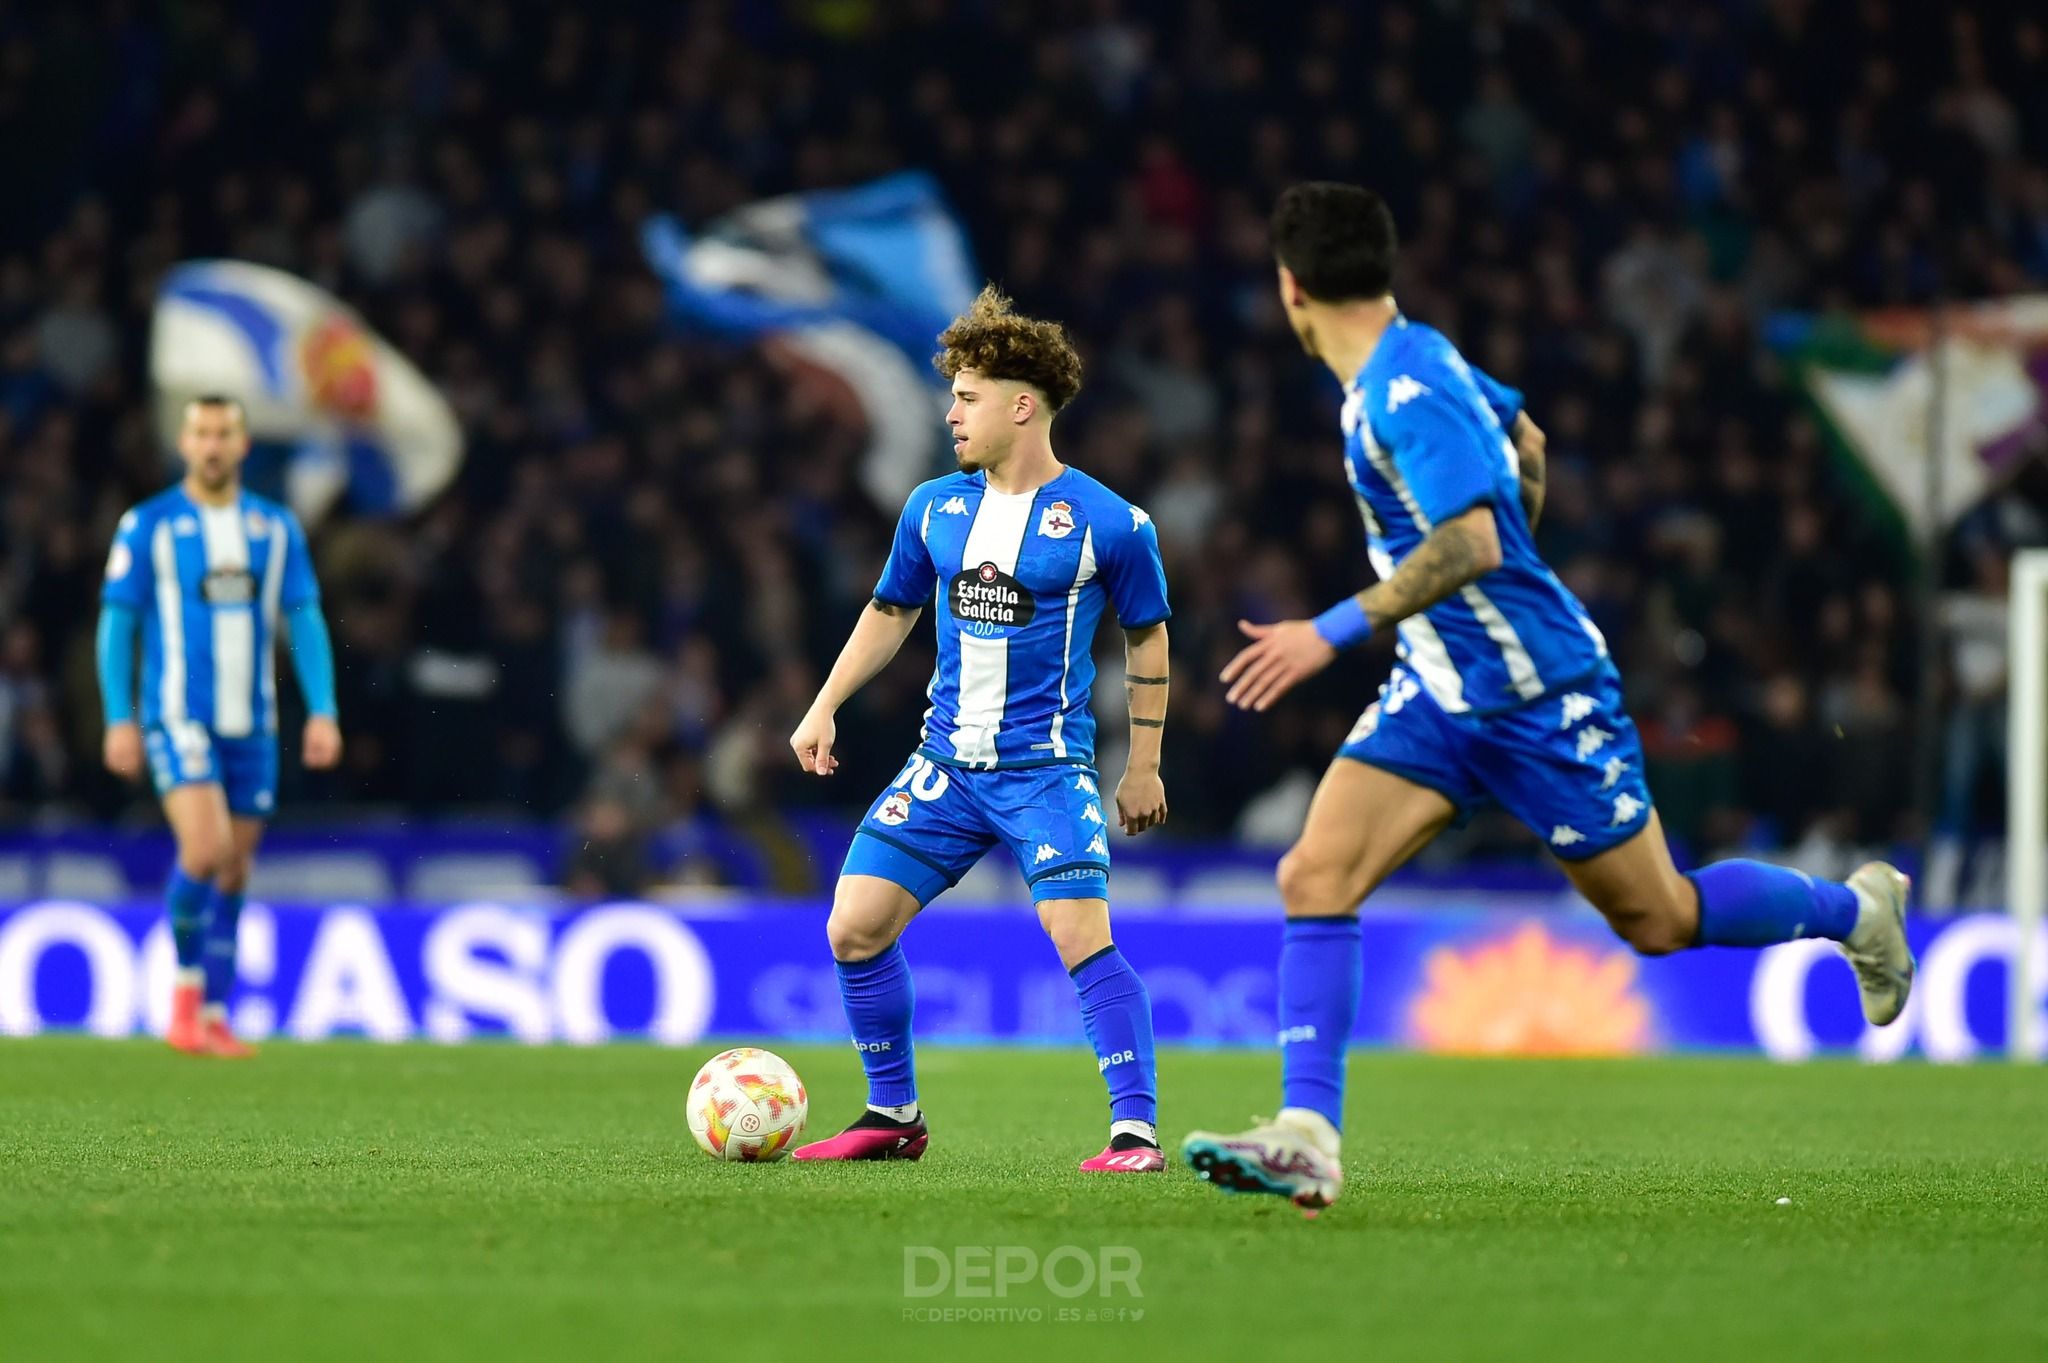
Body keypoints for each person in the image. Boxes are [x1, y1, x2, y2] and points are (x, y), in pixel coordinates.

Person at [1181, 184, 1913, 1214]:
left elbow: (1473, 539)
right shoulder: (1419, 358)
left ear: (1289, 286)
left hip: (1539, 698)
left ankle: (1856, 910)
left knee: (1657, 917)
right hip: (1440, 689)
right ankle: (1305, 1133)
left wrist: (1329, 629)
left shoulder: (1402, 392)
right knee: (1314, 873)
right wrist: (1499, 545)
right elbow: (1523, 439)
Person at [787, 287, 1173, 1172]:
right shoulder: (934, 507)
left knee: (1081, 935)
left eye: (967, 396)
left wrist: (1143, 763)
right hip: (947, 766)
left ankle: (1135, 1132)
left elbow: (1148, 635)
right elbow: (891, 610)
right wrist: (824, 703)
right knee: (854, 926)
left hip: (1045, 770)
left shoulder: (1112, 523)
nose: (951, 412)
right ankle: (893, 1116)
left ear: (1021, 404)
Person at [97, 395, 341, 1056]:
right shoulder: (148, 524)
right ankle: (182, 997)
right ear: (183, 442)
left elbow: (305, 616)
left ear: (243, 445)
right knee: (203, 851)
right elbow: (117, 622)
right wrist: (119, 717)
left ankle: (213, 1012)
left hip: (253, 725)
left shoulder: (275, 528)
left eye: (223, 433)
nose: (211, 445)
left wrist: (323, 708)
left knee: (234, 867)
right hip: (177, 715)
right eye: (201, 432)